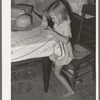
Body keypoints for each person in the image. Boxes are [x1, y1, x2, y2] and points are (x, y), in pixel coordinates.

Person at [40, 1, 75, 97]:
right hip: (58, 49)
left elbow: (66, 40)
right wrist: (44, 19)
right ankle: (64, 69)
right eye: (51, 18)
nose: (52, 20)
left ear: (60, 15)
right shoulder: (59, 20)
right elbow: (44, 11)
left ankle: (70, 90)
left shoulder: (65, 25)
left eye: (53, 18)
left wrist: (53, 33)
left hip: (63, 52)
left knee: (57, 73)